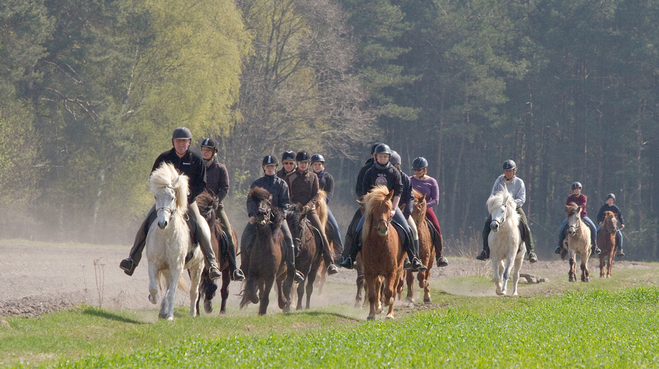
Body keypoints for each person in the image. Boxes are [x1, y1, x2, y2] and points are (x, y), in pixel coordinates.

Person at [120, 127, 222, 280]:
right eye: (178, 141)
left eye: (184, 141)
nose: (181, 144)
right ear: (173, 142)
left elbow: (202, 184)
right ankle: (132, 259)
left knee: (200, 226)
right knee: (146, 223)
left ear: (189, 143)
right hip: (165, 202)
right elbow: (152, 179)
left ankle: (212, 264)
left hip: (187, 202)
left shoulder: (197, 160)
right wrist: (160, 194)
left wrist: (187, 194)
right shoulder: (163, 158)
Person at [340, 144, 427, 271]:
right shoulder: (369, 172)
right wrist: (370, 206)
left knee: (409, 230)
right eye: (380, 156)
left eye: (385, 156)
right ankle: (350, 257)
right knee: (357, 229)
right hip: (373, 207)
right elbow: (365, 192)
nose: (382, 158)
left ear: (388, 157)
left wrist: (393, 209)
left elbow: (398, 191)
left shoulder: (394, 173)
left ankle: (413, 258)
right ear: (376, 157)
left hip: (390, 206)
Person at [242, 155, 305, 282]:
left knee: (289, 240)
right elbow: (250, 200)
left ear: (276, 168)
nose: (270, 168)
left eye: (272, 166)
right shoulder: (257, 184)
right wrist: (252, 215)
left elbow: (285, 203)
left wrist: (281, 216)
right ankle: (242, 267)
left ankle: (292, 270)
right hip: (259, 218)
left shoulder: (282, 184)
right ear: (264, 168)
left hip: (277, 220)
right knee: (245, 235)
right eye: (267, 166)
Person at [286, 151, 339, 275]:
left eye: (305, 163)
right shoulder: (290, 177)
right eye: (300, 163)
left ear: (308, 164)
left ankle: (329, 262)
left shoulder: (313, 177)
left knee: (322, 232)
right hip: (293, 210)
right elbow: (287, 195)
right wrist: (294, 207)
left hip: (309, 210)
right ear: (297, 163)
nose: (303, 165)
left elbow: (315, 195)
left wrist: (307, 207)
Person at [200, 138, 244, 281]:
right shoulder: (198, 167)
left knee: (228, 234)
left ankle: (234, 269)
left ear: (214, 153)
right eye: (204, 150)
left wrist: (216, 201)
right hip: (199, 208)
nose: (205, 153)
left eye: (208, 150)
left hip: (217, 208)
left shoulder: (221, 169)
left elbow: (225, 188)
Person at [476, 160, 538, 263]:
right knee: (487, 225)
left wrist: (511, 204)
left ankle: (531, 251)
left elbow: (521, 199)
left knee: (525, 225)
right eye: (506, 171)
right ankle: (485, 251)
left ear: (514, 171)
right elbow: (493, 194)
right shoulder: (499, 180)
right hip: (500, 208)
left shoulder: (519, 182)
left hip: (514, 208)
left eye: (509, 171)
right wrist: (494, 203)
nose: (507, 173)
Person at [340, 142, 380, 266]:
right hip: (367, 206)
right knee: (354, 228)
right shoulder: (366, 169)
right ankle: (348, 256)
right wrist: (364, 201)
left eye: (382, 155)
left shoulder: (392, 170)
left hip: (385, 207)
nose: (378, 157)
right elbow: (359, 189)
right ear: (373, 155)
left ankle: (410, 256)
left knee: (405, 228)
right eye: (376, 154)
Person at [409, 156, 449, 267]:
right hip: (411, 210)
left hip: (426, 209)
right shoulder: (409, 180)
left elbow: (436, 200)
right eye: (415, 170)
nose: (416, 172)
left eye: (419, 170)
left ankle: (439, 256)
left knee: (436, 227)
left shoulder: (431, 182)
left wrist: (424, 206)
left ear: (425, 170)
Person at [389, 151, 421, 269]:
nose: (392, 167)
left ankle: (413, 258)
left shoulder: (405, 178)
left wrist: (407, 212)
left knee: (413, 230)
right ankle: (353, 255)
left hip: (400, 211)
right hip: (382, 211)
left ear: (398, 165)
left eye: (394, 165)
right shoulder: (381, 176)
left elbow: (410, 196)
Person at [310, 153, 344, 258]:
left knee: (334, 226)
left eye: (319, 164)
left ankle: (340, 252)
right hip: (311, 205)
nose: (317, 166)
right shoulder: (309, 176)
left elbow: (330, 192)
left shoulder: (328, 177)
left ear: (323, 165)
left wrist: (323, 200)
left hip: (323, 205)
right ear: (312, 166)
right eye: (315, 164)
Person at [554, 182, 601, 255]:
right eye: (575, 189)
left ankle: (595, 246)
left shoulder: (583, 197)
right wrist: (572, 209)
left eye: (578, 189)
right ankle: (559, 246)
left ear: (580, 189)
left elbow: (582, 206)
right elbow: (567, 207)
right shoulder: (570, 197)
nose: (576, 190)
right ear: (573, 190)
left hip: (582, 216)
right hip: (572, 217)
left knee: (594, 228)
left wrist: (576, 209)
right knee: (562, 228)